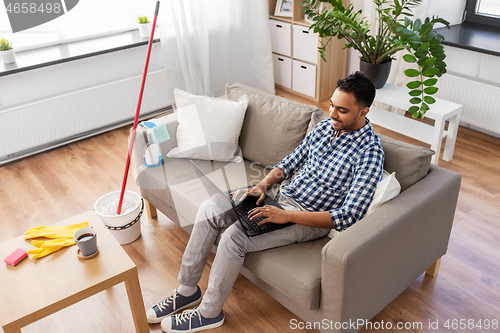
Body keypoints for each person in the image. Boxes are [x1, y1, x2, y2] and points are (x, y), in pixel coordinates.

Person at [146, 71, 385, 333]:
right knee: (209, 209)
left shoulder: (369, 152)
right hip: (279, 196)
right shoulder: (324, 128)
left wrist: (287, 216)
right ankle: (187, 290)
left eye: (342, 110)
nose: (332, 114)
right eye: (331, 105)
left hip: (307, 217)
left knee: (234, 237)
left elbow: (348, 215)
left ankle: (209, 313)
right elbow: (290, 163)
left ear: (363, 112)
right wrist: (260, 186)